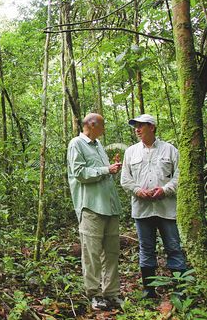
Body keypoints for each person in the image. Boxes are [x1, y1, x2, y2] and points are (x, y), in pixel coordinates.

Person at [120, 114, 187, 299]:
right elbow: (125, 179)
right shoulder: (131, 152)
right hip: (142, 210)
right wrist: (138, 191)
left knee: (173, 247)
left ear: (152, 127)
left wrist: (165, 189)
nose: (137, 129)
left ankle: (180, 290)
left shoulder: (170, 150)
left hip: (167, 209)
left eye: (141, 126)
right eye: (136, 126)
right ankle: (149, 291)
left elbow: (180, 176)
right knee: (146, 248)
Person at [67, 113, 124, 310]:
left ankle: (111, 293)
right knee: (91, 254)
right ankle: (94, 294)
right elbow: (80, 173)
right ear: (91, 125)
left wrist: (112, 168)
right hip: (91, 207)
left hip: (110, 206)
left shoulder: (98, 145)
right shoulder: (76, 143)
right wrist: (105, 170)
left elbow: (103, 171)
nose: (104, 129)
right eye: (102, 125)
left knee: (111, 252)